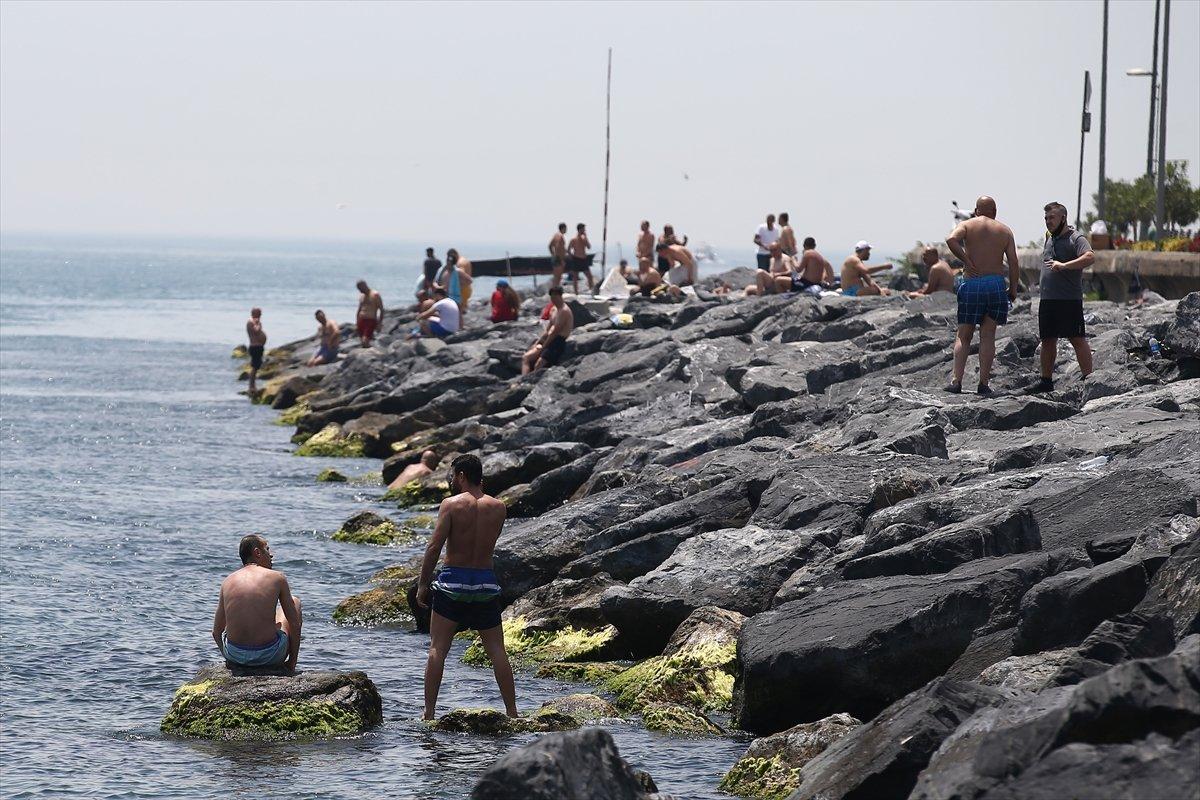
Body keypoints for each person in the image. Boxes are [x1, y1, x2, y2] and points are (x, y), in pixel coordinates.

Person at [416, 454, 517, 721]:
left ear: (461, 476)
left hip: (453, 582)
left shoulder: (450, 505)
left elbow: (434, 547)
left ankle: (429, 713)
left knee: (438, 648)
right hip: (485, 582)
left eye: (453, 476)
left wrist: (423, 584)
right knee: (497, 650)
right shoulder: (499, 507)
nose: (451, 480)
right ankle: (512, 712)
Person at [943, 195, 1021, 395]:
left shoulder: (967, 225)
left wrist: (966, 261)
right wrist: (1013, 289)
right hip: (995, 284)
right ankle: (983, 384)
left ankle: (956, 382)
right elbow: (1013, 262)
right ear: (995, 212)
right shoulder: (1004, 230)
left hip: (972, 283)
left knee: (964, 335)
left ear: (976, 211)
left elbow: (951, 239)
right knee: (988, 335)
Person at [1030, 201, 1095, 393]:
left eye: (1052, 218)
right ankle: (1046, 381)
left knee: (1077, 338)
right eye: (1046, 218)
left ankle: (1089, 379)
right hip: (1048, 299)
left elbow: (1090, 257)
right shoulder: (1049, 237)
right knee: (1048, 340)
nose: (1048, 221)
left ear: (1063, 218)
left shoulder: (1076, 237)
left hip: (1068, 299)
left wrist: (1065, 265)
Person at [212, 534, 302, 672]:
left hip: (235, 656)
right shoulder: (277, 577)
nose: (271, 555)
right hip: (269, 656)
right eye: (267, 549)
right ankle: (292, 663)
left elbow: (216, 632)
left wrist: (228, 655)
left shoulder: (228, 581)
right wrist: (292, 662)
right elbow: (294, 624)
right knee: (294, 602)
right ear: (257, 552)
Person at [522, 286, 574, 374]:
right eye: (552, 297)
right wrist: (538, 342)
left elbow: (555, 332)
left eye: (556, 296)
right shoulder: (553, 309)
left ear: (560, 296)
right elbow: (548, 329)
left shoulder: (564, 311)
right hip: (549, 339)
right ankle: (523, 379)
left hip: (558, 341)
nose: (554, 299)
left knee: (538, 365)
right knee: (526, 357)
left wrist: (544, 347)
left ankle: (532, 379)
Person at [440, 249, 474, 315]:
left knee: (459, 310)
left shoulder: (460, 263)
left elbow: (462, 276)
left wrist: (458, 286)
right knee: (461, 309)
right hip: (466, 289)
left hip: (462, 290)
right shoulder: (464, 260)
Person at [567, 223, 594, 295]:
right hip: (576, 259)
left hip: (583, 259)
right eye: (583, 229)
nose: (584, 230)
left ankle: (591, 291)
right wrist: (572, 256)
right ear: (580, 229)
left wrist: (586, 238)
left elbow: (589, 247)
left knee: (589, 276)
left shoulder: (584, 239)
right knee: (575, 277)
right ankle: (576, 292)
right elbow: (568, 249)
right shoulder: (573, 239)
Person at [355, 280, 384, 346]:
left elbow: (381, 310)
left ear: (364, 285)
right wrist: (357, 322)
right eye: (358, 289)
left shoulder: (375, 295)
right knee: (362, 341)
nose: (360, 290)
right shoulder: (362, 296)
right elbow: (359, 309)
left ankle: (371, 350)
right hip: (361, 320)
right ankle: (368, 349)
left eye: (360, 288)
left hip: (370, 320)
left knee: (365, 340)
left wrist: (379, 323)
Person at [245, 307, 266, 395]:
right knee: (255, 367)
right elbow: (256, 331)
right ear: (254, 313)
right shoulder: (251, 322)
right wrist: (258, 323)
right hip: (255, 347)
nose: (260, 315)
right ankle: (251, 387)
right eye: (259, 313)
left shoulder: (255, 322)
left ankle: (253, 386)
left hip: (259, 346)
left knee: (257, 366)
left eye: (260, 313)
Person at [548, 223, 568, 288]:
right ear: (563, 228)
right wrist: (561, 259)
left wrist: (553, 255)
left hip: (555, 258)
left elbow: (550, 246)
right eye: (566, 228)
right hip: (559, 258)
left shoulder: (555, 235)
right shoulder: (561, 236)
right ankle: (555, 292)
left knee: (556, 277)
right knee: (558, 277)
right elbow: (558, 247)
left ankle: (554, 291)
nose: (566, 230)